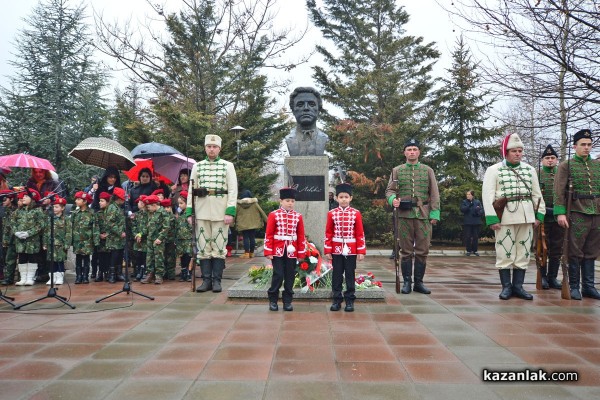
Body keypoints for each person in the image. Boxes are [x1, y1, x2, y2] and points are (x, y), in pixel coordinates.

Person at [482, 133, 545, 301]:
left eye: (520, 151)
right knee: (504, 251)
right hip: (505, 217)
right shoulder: (493, 170)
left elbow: (537, 195)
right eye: (514, 151)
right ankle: (506, 287)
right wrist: (492, 218)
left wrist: (539, 215)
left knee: (523, 252)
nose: (518, 154)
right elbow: (487, 196)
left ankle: (518, 287)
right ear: (506, 152)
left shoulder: (530, 170)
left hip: (526, 216)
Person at [385, 138, 440, 295]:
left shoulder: (428, 170)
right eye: (409, 149)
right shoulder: (397, 170)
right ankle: (407, 282)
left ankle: (419, 283)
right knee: (406, 251)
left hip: (423, 215)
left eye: (414, 149)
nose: (412, 152)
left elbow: (435, 193)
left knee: (423, 250)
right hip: (403, 215)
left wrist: (434, 213)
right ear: (404, 152)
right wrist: (392, 199)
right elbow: (389, 190)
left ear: (419, 152)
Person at [186, 134, 238, 293]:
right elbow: (191, 190)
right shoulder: (197, 166)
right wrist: (189, 211)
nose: (211, 149)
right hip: (201, 210)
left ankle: (217, 281)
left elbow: (232, 190)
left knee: (219, 246)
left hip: (220, 211)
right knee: (203, 247)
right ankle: (206, 281)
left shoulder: (227, 166)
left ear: (219, 148)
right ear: (205, 148)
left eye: (214, 147)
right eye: (209, 146)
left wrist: (230, 211)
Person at [554, 129, 600, 300]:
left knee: (592, 250)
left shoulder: (597, 165)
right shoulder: (566, 165)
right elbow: (558, 191)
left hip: (596, 211)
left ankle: (589, 286)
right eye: (583, 145)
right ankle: (574, 286)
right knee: (575, 250)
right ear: (575, 146)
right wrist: (560, 213)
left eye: (589, 145)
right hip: (577, 212)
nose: (587, 148)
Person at [324, 183, 366, 312]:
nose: (343, 199)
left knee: (349, 274)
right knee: (336, 274)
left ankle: (349, 300)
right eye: (341, 197)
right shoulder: (331, 213)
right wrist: (328, 249)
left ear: (350, 198)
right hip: (336, 249)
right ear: (336, 198)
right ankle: (336, 300)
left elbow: (360, 233)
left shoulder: (356, 213)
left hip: (351, 249)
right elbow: (329, 232)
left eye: (346, 197)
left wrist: (361, 251)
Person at [264, 187, 306, 311]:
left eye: (292, 201)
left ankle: (287, 301)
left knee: (290, 275)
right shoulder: (274, 215)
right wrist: (268, 251)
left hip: (292, 251)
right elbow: (269, 234)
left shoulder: (298, 216)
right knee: (278, 274)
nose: (290, 203)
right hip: (277, 250)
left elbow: (301, 235)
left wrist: (301, 252)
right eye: (287, 200)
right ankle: (273, 300)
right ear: (281, 201)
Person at [538, 144, 565, 290]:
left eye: (553, 158)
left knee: (557, 248)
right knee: (542, 248)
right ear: (542, 160)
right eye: (547, 158)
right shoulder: (537, 174)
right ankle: (542, 276)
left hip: (558, 218)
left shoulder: (562, 174)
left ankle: (552, 277)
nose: (550, 160)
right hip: (543, 217)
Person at [13, 188, 46, 286]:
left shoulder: (37, 210)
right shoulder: (18, 211)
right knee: (22, 258)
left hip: (32, 239)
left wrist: (29, 233)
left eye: (26, 196)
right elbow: (12, 222)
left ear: (32, 198)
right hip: (20, 239)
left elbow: (41, 225)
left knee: (32, 258)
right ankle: (23, 278)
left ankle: (30, 278)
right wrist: (16, 232)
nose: (23, 198)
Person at [284, 87, 329, 156]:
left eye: (311, 104)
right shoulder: (289, 138)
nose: (306, 108)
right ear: (293, 110)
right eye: (300, 104)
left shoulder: (324, 138)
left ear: (318, 110)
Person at [140, 195, 170, 285]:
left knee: (158, 258)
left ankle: (159, 275)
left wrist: (160, 238)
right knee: (149, 258)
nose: (148, 209)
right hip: (150, 239)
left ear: (154, 205)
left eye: (149, 207)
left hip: (158, 239)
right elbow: (148, 226)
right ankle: (149, 274)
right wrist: (141, 233)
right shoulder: (151, 213)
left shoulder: (163, 213)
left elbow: (166, 227)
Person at [71, 191, 99, 285]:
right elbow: (71, 226)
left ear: (85, 201)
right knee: (78, 258)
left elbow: (95, 227)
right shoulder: (75, 213)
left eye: (79, 199)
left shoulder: (91, 213)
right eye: (76, 199)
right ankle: (78, 276)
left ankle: (85, 276)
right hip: (77, 239)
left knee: (86, 258)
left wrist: (96, 240)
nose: (76, 201)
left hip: (87, 240)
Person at [44, 197, 71, 285]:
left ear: (62, 208)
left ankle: (60, 277)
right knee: (51, 261)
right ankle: (52, 277)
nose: (54, 209)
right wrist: (45, 243)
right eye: (54, 207)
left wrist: (67, 244)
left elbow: (68, 232)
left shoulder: (66, 219)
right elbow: (46, 231)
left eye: (57, 207)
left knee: (60, 261)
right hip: (50, 244)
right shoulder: (50, 218)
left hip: (60, 244)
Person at [235, 190, 268, 259]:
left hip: (243, 223)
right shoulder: (254, 203)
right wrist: (267, 220)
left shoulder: (238, 204)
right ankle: (252, 253)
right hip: (254, 223)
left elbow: (235, 214)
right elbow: (261, 212)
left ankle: (246, 253)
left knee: (245, 238)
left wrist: (232, 223)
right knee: (252, 238)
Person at [104, 188, 126, 283]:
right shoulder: (112, 207)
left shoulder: (118, 207)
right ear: (118, 198)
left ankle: (119, 273)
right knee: (114, 255)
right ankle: (112, 274)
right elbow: (110, 222)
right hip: (114, 237)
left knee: (120, 254)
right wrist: (119, 232)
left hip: (119, 237)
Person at [0, 190, 19, 284]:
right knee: (7, 258)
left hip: (15, 237)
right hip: (6, 238)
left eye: (4, 199)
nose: (2, 201)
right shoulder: (4, 210)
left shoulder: (16, 210)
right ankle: (8, 277)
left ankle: (13, 278)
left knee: (13, 258)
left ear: (11, 199)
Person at [94, 192, 111, 283]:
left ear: (108, 202)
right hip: (100, 237)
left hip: (109, 238)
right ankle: (100, 272)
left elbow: (113, 225)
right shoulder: (98, 214)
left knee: (108, 255)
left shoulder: (111, 213)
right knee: (100, 256)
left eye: (102, 201)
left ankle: (107, 272)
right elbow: (96, 226)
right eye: (100, 201)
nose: (100, 202)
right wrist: (99, 235)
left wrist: (108, 234)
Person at [460, 190, 483, 256]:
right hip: (468, 222)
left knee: (475, 237)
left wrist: (477, 211)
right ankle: (468, 251)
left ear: (472, 195)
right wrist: (469, 205)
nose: (467, 195)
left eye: (469, 194)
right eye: (467, 194)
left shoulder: (477, 202)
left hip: (476, 222)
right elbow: (462, 209)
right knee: (468, 237)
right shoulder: (464, 202)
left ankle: (475, 250)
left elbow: (482, 211)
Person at [176, 191, 193, 282]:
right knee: (182, 256)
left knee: (188, 255)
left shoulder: (189, 214)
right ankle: (183, 272)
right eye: (179, 203)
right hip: (180, 238)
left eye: (181, 203)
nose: (179, 205)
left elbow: (191, 227)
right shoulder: (181, 213)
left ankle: (189, 272)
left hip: (188, 238)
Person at [131, 195, 148, 281]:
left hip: (145, 239)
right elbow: (133, 226)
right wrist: (136, 235)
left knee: (145, 256)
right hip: (137, 239)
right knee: (138, 255)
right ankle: (139, 271)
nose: (138, 203)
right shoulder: (136, 215)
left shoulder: (148, 214)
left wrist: (141, 234)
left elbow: (148, 226)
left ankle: (144, 271)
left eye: (139, 202)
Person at [161, 198, 177, 280]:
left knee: (171, 257)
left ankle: (171, 273)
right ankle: (164, 272)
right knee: (163, 256)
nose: (166, 209)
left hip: (171, 239)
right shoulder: (161, 217)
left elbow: (175, 228)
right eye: (164, 207)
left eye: (168, 207)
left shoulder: (173, 217)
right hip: (163, 239)